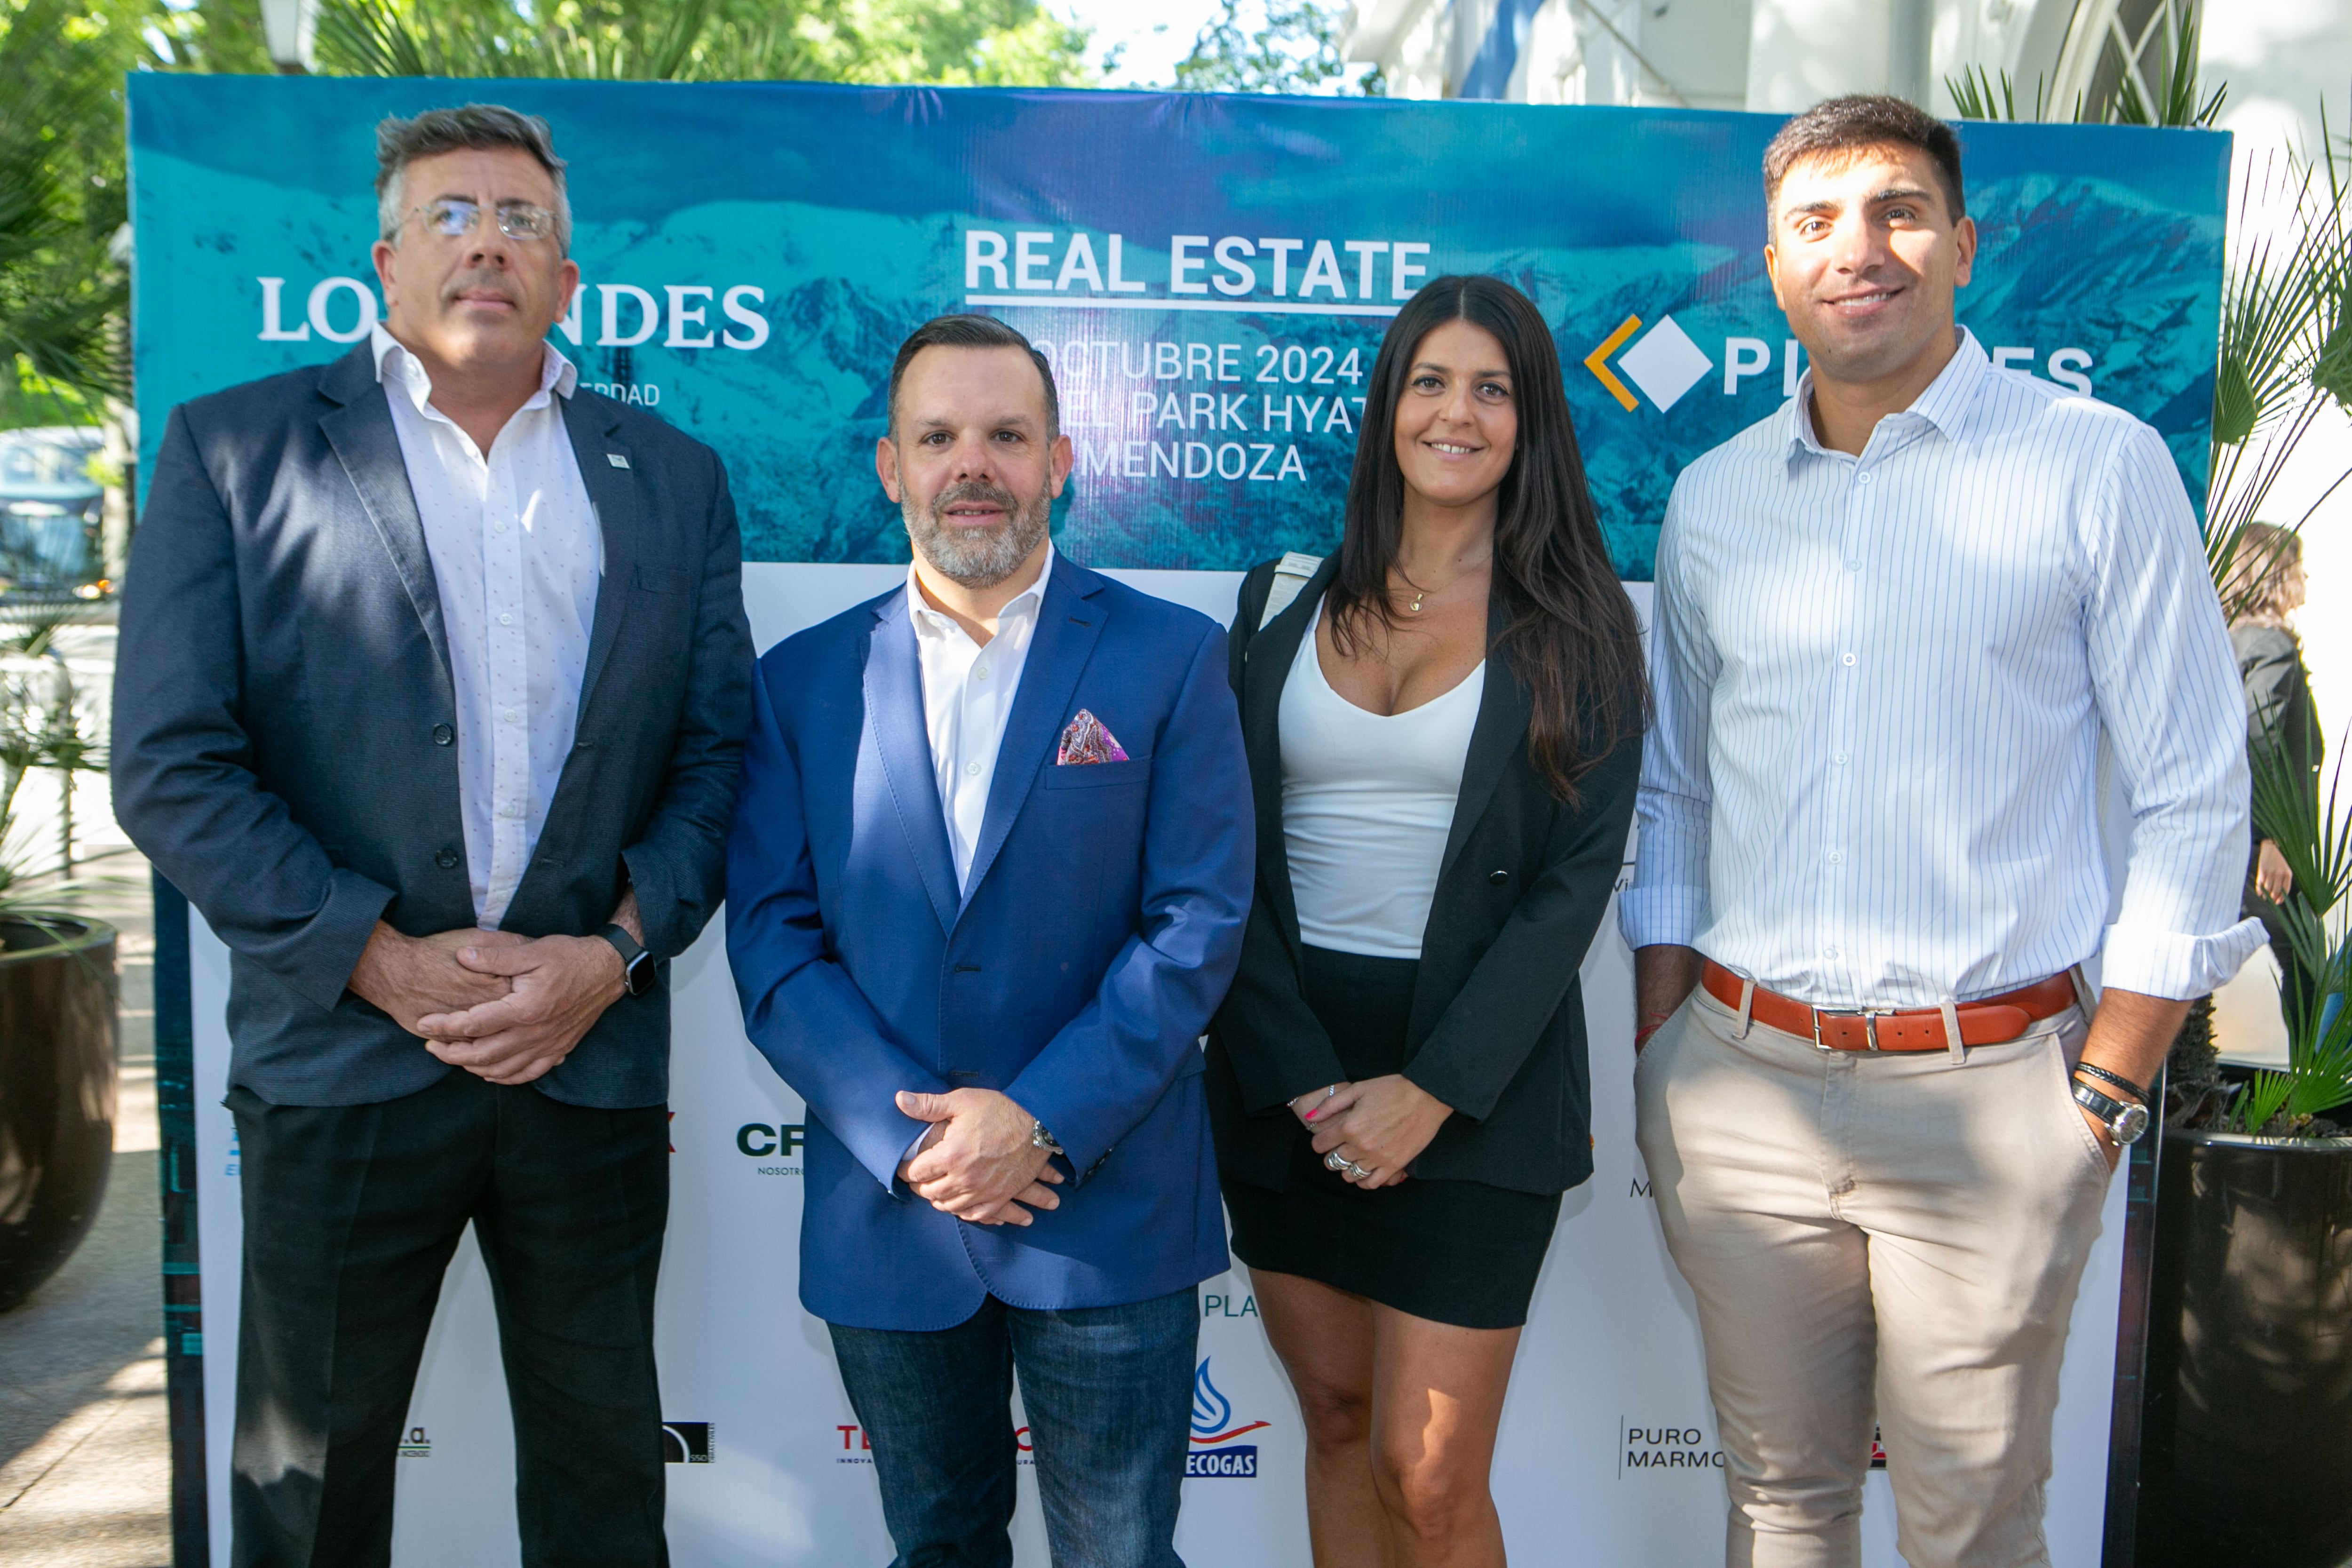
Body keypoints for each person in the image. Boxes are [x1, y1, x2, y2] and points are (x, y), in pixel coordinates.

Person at [1622, 96, 2265, 1568]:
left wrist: (2095, 1103)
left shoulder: (2093, 465)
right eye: (1816, 222)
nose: (1861, 249)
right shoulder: (1713, 501)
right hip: (1740, 1087)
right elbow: (1675, 794)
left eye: (1898, 211)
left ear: (1963, 245)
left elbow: (2192, 791)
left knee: (1971, 1529)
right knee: (1779, 1507)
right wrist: (1664, 1057)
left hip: (1994, 1101)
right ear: (1773, 268)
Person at [111, 104, 752, 1566]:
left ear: (570, 279)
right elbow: (168, 763)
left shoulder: (669, 477)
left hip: (583, 1068)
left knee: (604, 1489)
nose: (489, 242)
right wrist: (379, 961)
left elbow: (718, 763)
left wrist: (612, 953)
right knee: (309, 1493)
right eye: (453, 214)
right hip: (338, 1063)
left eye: (523, 219)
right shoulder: (236, 450)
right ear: (386, 260)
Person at [724, 313, 1252, 1568]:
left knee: (1123, 1555)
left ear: (1060, 460)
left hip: (1102, 1202)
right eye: (939, 436)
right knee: (939, 1546)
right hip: (892, 1213)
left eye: (1007, 435)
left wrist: (1039, 1116)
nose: (975, 464)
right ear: (889, 466)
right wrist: (918, 1138)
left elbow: (1197, 921)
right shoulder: (801, 682)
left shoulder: (1169, 657)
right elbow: (772, 938)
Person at [1207, 275, 1646, 1568]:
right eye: (1430, 381)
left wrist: (1432, 1090)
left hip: (1479, 1074)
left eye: (1493, 388)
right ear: (1388, 406)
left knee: (1431, 1472)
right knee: (1340, 1423)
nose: (1458, 413)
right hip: (1283, 1070)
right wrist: (1300, 1081)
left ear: (1532, 422)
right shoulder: (1280, 593)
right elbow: (1223, 853)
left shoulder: (1584, 625)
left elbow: (1577, 883)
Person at [2223, 521, 2323, 1025]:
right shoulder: (2271, 646)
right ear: (2276, 576)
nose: (2304, 585)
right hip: (2263, 845)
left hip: (2234, 834)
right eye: (2298, 571)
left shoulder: (2231, 641)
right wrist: (2272, 839)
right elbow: (2257, 738)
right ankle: (2307, 1093)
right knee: (2307, 963)